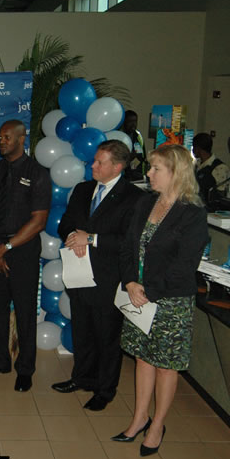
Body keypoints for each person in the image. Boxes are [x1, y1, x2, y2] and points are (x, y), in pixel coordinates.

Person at [113, 144, 207, 456]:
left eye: (156, 169)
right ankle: (140, 418)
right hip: (138, 293)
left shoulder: (192, 214)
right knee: (142, 357)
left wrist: (148, 291)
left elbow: (184, 266)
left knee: (166, 366)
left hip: (169, 300)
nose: (149, 174)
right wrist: (130, 282)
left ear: (177, 174)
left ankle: (157, 425)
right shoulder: (145, 203)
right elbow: (127, 246)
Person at [52, 140, 144, 411]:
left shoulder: (134, 198)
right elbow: (67, 223)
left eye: (99, 162)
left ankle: (105, 390)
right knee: (82, 330)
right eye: (93, 160)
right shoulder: (82, 189)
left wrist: (90, 238)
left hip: (109, 277)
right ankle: (82, 378)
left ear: (117, 166)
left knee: (107, 336)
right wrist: (72, 236)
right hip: (78, 272)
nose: (92, 165)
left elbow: (129, 241)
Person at [0, 119, 51, 392]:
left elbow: (39, 220)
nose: (1, 141)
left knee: (25, 311)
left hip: (22, 252)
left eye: (7, 137)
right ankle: (0, 361)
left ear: (21, 139)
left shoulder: (38, 172)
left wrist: (5, 249)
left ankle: (25, 369)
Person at [193, 132, 229, 203]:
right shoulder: (196, 164)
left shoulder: (219, 167)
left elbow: (221, 194)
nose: (193, 150)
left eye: (193, 147)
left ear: (198, 148)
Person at [122, 110, 148, 182]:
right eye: (130, 121)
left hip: (137, 173)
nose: (133, 124)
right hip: (124, 173)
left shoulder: (138, 135)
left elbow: (143, 154)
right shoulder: (120, 135)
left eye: (135, 121)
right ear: (124, 122)